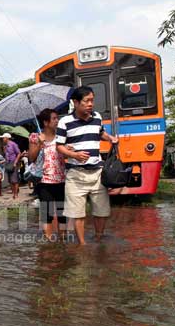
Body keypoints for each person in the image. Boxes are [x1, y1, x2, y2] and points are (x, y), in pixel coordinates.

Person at [56, 86, 118, 245]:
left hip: (97, 172)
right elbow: (59, 146)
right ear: (76, 102)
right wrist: (74, 155)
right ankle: (82, 245)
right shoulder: (65, 122)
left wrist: (110, 138)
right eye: (87, 101)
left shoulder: (96, 117)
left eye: (92, 100)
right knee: (77, 213)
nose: (91, 104)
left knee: (102, 211)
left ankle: (98, 239)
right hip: (75, 174)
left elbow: (100, 133)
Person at [28, 109, 67, 242]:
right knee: (47, 214)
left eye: (57, 118)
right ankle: (49, 241)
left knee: (63, 214)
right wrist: (39, 143)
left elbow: (67, 154)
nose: (57, 121)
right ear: (45, 122)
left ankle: (62, 240)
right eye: (54, 118)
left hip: (62, 179)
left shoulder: (61, 136)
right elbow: (32, 158)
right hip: (44, 181)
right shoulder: (35, 137)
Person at [1, 133, 22, 199]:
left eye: (3, 138)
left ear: (7, 138)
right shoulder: (5, 146)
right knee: (10, 180)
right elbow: (6, 155)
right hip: (8, 163)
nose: (2, 139)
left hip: (13, 163)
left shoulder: (13, 144)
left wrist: (15, 162)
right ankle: (13, 193)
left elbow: (19, 153)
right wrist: (4, 150)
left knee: (14, 180)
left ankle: (16, 194)